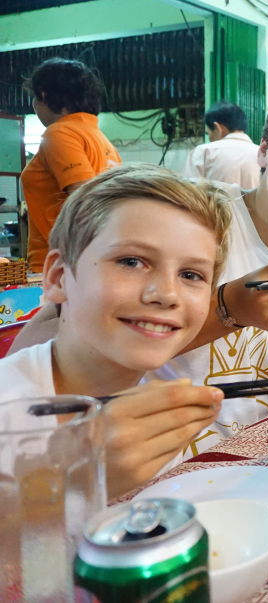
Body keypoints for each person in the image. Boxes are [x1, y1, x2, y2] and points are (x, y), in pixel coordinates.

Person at [12, 73, 268, 461]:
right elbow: (36, 349)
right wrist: (228, 309)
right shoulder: (194, 218)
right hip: (131, 473)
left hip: (238, 473)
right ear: (264, 149)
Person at [0, 164, 229, 498]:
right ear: (58, 278)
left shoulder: (151, 405)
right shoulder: (8, 406)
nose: (166, 294)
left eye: (191, 275)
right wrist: (76, 482)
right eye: (131, 261)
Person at [21, 58, 122, 272]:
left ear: (43, 95)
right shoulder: (100, 139)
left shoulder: (59, 133)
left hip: (60, 265)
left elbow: (85, 198)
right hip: (90, 260)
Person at [182, 101, 260, 188]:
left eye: (208, 133)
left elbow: (189, 194)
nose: (210, 139)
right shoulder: (263, 154)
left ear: (217, 127)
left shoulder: (203, 152)